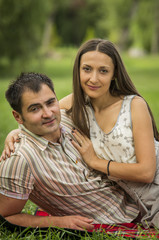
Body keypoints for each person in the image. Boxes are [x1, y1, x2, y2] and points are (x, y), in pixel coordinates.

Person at [1, 38, 159, 228]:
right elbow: (40, 116)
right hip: (135, 199)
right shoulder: (76, 103)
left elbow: (147, 172)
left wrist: (94, 162)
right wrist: (15, 133)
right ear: (78, 71)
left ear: (114, 73)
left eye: (103, 71)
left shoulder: (132, 105)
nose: (93, 78)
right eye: (87, 69)